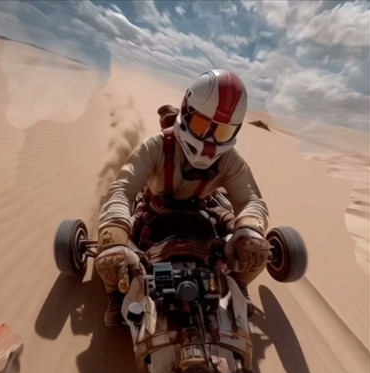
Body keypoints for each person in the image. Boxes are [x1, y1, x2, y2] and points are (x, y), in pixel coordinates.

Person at [95, 69, 270, 326]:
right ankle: (115, 295)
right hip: (152, 212)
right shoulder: (155, 146)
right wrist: (115, 235)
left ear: (235, 132)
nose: (210, 143)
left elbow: (251, 201)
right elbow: (122, 189)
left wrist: (250, 230)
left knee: (257, 248)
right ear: (186, 113)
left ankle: (238, 286)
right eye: (201, 125)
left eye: (222, 133)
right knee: (111, 252)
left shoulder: (231, 161)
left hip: (201, 213)